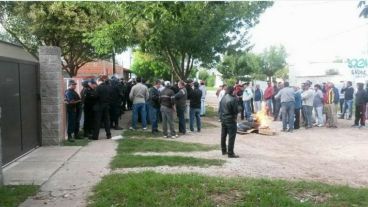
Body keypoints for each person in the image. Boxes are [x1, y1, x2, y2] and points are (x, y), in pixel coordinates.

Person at [220, 86, 239, 158]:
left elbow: (220, 108)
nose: (235, 92)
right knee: (231, 136)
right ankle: (230, 153)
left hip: (223, 118)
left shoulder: (224, 97)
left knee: (223, 135)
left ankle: (224, 150)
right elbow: (236, 111)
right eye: (234, 90)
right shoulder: (233, 99)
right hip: (230, 119)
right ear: (232, 91)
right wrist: (239, 107)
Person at [92, 76, 112, 140]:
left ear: (98, 81)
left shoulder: (98, 88)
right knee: (107, 121)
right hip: (106, 106)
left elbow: (95, 96)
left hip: (99, 106)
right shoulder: (108, 87)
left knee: (97, 121)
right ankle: (108, 135)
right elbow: (110, 96)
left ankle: (95, 136)